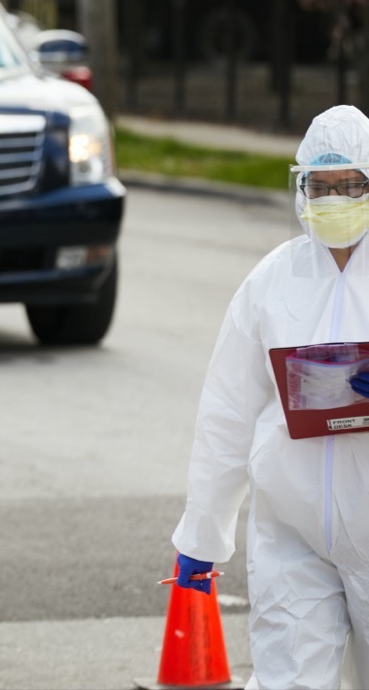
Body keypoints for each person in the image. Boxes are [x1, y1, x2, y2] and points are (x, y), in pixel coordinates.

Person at [171, 105, 369, 688]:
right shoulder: (272, 281)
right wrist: (202, 536)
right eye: (321, 185)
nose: (334, 199)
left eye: (351, 184)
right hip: (294, 535)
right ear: (300, 187)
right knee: (287, 680)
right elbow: (227, 413)